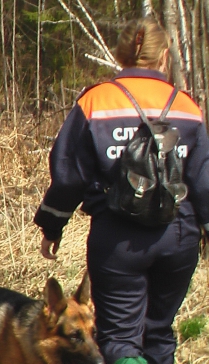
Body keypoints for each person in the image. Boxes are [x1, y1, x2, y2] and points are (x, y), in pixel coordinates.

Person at [34, 17, 209, 364]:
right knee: (159, 333)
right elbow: (203, 181)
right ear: (163, 57)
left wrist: (53, 225)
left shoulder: (96, 102)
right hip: (178, 235)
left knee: (119, 339)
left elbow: (69, 175)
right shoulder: (187, 106)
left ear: (120, 54)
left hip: (117, 239)